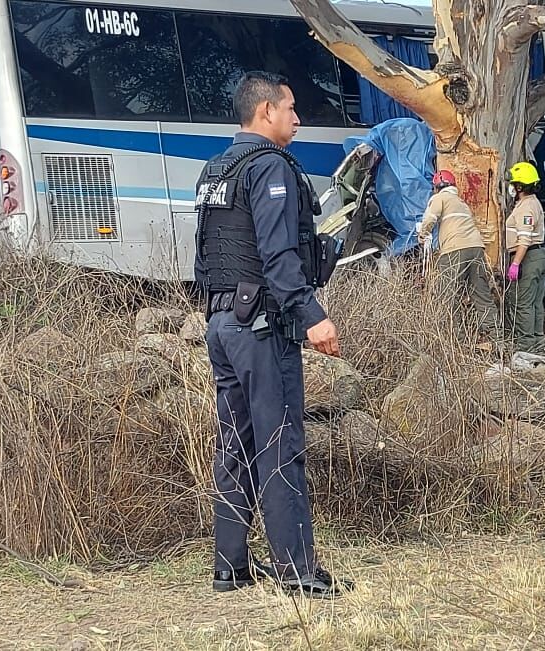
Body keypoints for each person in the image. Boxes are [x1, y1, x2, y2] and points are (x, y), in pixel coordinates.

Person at [193, 71, 350, 598]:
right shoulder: (269, 168)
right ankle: (297, 572)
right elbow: (279, 256)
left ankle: (229, 567)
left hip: (222, 322)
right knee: (281, 444)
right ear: (266, 113)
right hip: (262, 327)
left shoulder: (215, 170)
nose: (298, 118)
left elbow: (205, 256)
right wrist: (312, 315)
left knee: (234, 443)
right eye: (291, 109)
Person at [419, 170, 497, 333]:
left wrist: (423, 235)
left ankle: (456, 341)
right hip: (476, 249)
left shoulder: (439, 198)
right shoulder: (461, 203)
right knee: (481, 295)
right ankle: (497, 339)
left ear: (437, 187)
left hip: (454, 250)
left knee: (447, 296)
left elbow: (430, 219)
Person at [503, 161, 545, 352]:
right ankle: (537, 341)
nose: (511, 187)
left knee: (522, 303)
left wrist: (515, 263)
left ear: (520, 186)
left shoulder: (526, 208)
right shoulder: (532, 203)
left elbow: (525, 239)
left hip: (529, 257)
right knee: (536, 303)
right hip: (539, 255)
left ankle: (525, 345)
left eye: (514, 184)